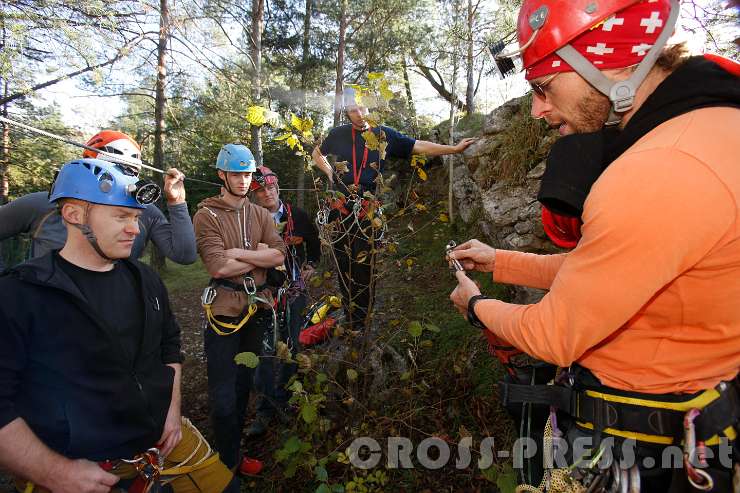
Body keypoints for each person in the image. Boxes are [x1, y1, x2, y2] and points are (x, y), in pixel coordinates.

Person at [449, 0, 739, 490]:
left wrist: (475, 306)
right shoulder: (707, 129)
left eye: (543, 86)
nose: (538, 109)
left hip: (641, 450)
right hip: (688, 430)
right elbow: (609, 272)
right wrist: (500, 262)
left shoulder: (659, 168)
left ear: (606, 61)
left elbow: (555, 333)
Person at [0, 158, 239, 493]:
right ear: (74, 215)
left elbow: (169, 346)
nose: (135, 229)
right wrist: (54, 473)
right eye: (121, 217)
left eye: (136, 217)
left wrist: (172, 411)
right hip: (79, 470)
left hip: (165, 443)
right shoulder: (21, 294)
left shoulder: (145, 279)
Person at [312, 87, 476, 330]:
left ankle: (363, 321)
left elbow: (417, 146)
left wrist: (453, 150)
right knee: (344, 263)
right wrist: (330, 174)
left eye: (362, 108)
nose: (358, 113)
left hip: (367, 211)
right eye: (352, 110)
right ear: (346, 112)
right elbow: (317, 153)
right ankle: (350, 319)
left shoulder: (383, 134)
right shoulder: (338, 134)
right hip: (340, 209)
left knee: (365, 267)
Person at [192, 144, 286, 476]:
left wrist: (239, 254)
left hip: (257, 309)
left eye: (247, 174)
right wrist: (256, 254)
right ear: (222, 175)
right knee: (222, 394)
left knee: (243, 385)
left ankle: (233, 455)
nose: (244, 181)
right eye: (237, 174)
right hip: (224, 311)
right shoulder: (207, 214)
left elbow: (279, 256)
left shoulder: (260, 214)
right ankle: (225, 462)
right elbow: (217, 266)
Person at [0, 130, 197, 271]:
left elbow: (184, 255)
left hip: (115, 312)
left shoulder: (145, 210)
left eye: (129, 173)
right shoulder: (44, 204)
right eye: (110, 172)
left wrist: (177, 203)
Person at [245, 166, 321, 437]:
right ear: (253, 196)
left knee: (292, 343)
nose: (266, 194)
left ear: (277, 188)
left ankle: (285, 398)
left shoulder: (297, 216)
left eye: (270, 188)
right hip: (262, 293)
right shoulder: (248, 220)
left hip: (293, 290)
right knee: (263, 351)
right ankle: (265, 409)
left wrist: (310, 265)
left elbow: (314, 245)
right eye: (260, 191)